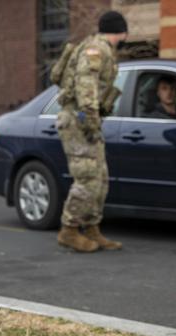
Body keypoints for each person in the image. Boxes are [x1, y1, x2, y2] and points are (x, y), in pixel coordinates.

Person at [54, 11, 128, 252]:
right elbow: (86, 89)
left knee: (100, 178)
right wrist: (91, 123)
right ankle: (69, 229)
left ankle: (92, 228)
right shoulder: (96, 49)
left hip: (85, 122)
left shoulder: (101, 48)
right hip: (79, 122)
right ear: (122, 31)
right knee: (87, 177)